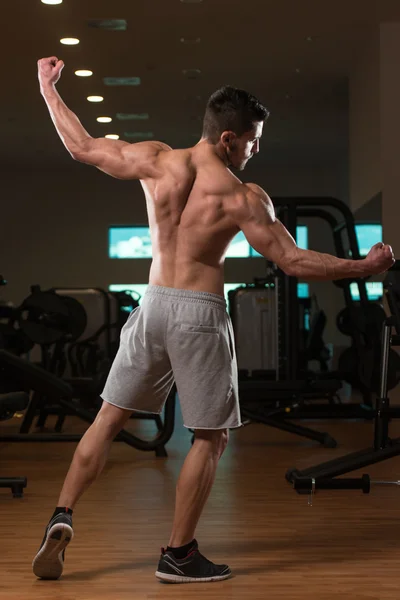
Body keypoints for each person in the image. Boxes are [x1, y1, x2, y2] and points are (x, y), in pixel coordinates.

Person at [33, 56, 395, 584]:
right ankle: (178, 555)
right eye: (253, 141)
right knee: (209, 437)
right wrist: (362, 265)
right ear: (229, 138)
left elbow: (82, 146)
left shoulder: (156, 160)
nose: (256, 150)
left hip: (152, 303)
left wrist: (47, 88)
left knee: (108, 419)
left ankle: (62, 513)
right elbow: (292, 261)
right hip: (198, 312)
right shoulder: (242, 195)